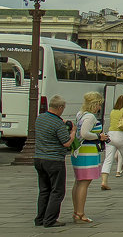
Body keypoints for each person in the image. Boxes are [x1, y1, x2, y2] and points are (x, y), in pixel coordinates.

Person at [33, 94, 75, 228]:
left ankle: (40, 218)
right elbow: (66, 143)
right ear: (60, 107)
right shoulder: (57, 123)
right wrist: (73, 132)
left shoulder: (40, 118)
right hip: (54, 160)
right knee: (57, 191)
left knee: (44, 189)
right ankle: (50, 220)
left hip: (39, 158)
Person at [72, 91, 111, 224]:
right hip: (87, 152)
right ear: (94, 104)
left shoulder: (80, 114)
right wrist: (99, 136)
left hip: (79, 151)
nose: (99, 108)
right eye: (99, 105)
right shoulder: (90, 117)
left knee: (78, 182)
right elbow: (84, 133)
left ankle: (76, 211)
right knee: (84, 182)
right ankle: (80, 213)